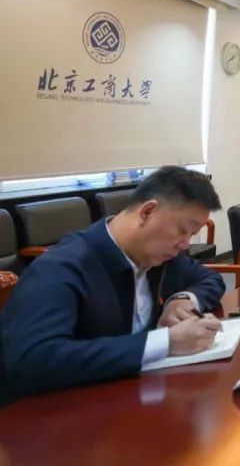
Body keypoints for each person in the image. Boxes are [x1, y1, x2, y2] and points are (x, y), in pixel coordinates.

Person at [0, 166, 226, 402]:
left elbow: (209, 279)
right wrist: (166, 342)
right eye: (182, 230)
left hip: (132, 396)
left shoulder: (159, 256)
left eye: (192, 234)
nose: (185, 244)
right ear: (148, 212)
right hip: (57, 411)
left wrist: (182, 299)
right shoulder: (62, 267)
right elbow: (33, 362)